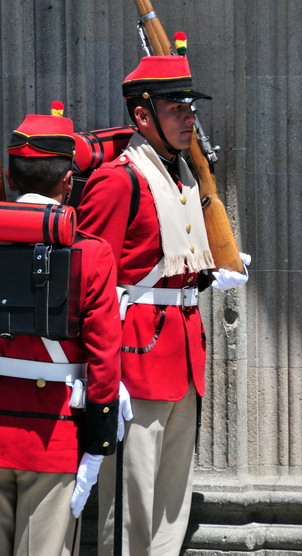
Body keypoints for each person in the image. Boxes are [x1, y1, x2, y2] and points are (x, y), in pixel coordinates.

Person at [77, 54, 250, 556]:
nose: (189, 117)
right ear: (142, 115)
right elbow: (92, 283)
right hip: (136, 357)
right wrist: (102, 375)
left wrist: (214, 268)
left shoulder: (185, 177)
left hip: (183, 353)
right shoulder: (120, 180)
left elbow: (175, 255)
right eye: (176, 107)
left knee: (172, 502)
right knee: (130, 501)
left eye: (191, 107)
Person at [0, 109, 125, 556]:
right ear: (68, 182)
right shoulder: (91, 253)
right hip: (51, 439)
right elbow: (105, 360)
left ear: (10, 179)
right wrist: (98, 444)